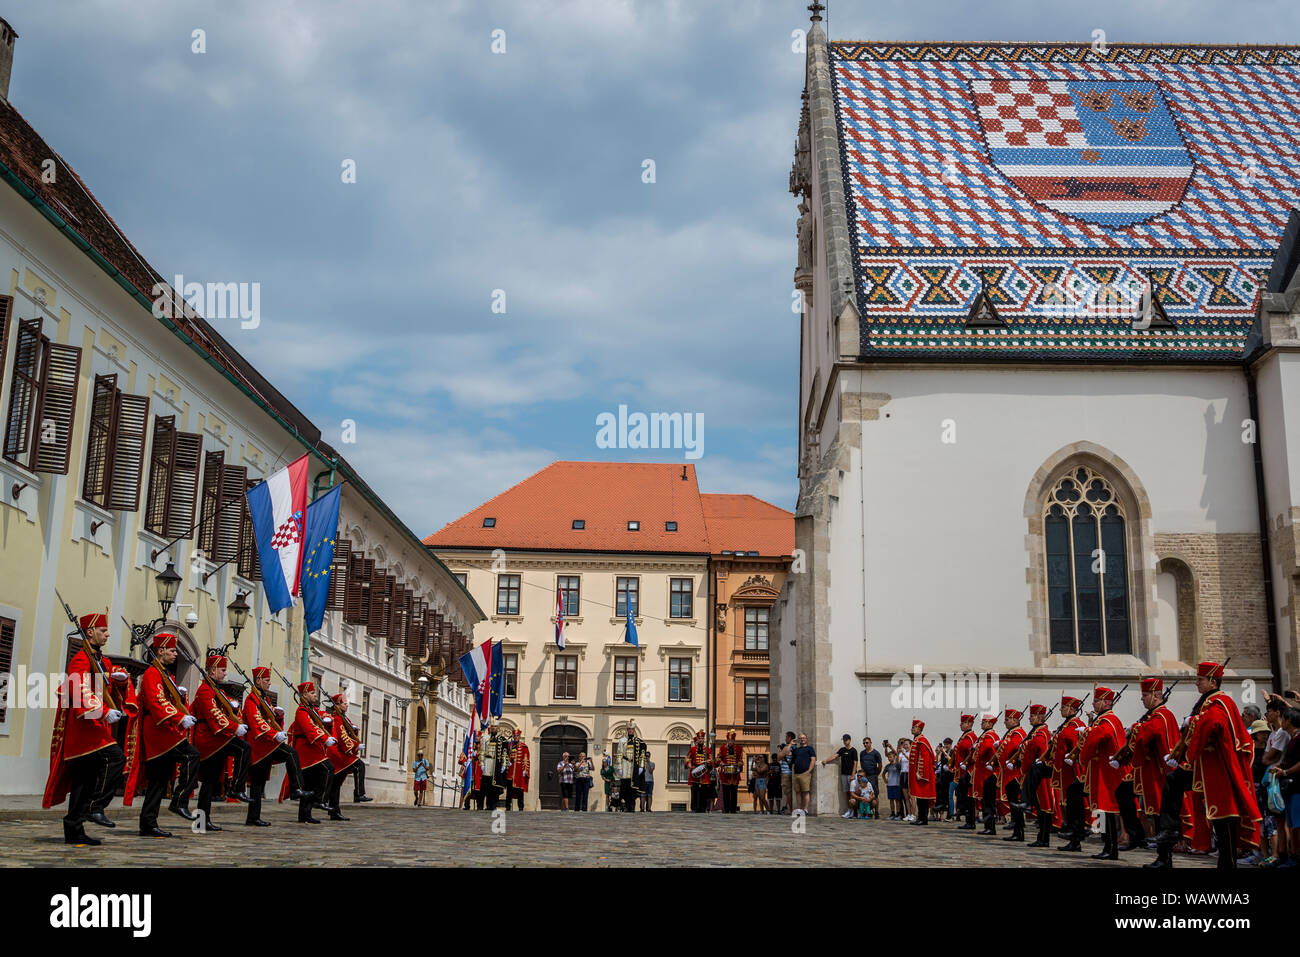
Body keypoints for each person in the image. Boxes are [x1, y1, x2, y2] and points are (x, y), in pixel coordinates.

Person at [43, 612, 139, 846]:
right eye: (103, 630)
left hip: (95, 726)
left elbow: (107, 681)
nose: (107, 634)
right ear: (90, 632)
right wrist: (103, 711)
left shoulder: (100, 660)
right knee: (117, 758)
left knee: (83, 780)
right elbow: (79, 688)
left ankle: (74, 829)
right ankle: (96, 806)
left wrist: (120, 679)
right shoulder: (80, 659)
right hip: (84, 729)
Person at [1183, 661, 1262, 869]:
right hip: (1211, 767)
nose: (1197, 684)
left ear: (1213, 681)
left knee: (1223, 817)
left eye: (1200, 680)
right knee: (1220, 817)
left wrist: (1193, 722)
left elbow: (1213, 723)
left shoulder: (1219, 702)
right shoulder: (1212, 701)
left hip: (1220, 769)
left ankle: (1227, 863)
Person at [122, 631, 198, 838]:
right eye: (172, 650)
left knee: (158, 779)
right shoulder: (152, 674)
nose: (175, 654)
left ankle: (148, 824)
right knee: (192, 756)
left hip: (165, 730)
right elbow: (157, 702)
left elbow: (170, 700)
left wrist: (182, 712)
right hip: (157, 730)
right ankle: (179, 801)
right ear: (161, 650)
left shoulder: (166, 674)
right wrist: (179, 718)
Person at [241, 665, 309, 826]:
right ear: (257, 681)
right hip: (259, 745)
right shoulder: (252, 700)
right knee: (289, 754)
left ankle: (254, 816)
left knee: (260, 782)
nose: (269, 683)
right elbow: (256, 721)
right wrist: (274, 734)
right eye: (266, 680)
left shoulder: (263, 699)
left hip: (267, 745)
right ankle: (295, 789)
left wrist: (278, 716)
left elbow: (270, 720)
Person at [191, 654, 249, 832]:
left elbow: (223, 711)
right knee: (243, 749)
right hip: (209, 739)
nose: (225, 674)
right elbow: (213, 714)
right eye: (222, 670)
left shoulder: (217, 690)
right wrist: (233, 728)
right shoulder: (205, 690)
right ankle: (236, 788)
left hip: (217, 738)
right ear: (213, 670)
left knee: (209, 783)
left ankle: (201, 823)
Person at [1078, 686, 1126, 860]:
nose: (1094, 703)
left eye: (1097, 701)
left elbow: (1100, 736)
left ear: (1106, 702)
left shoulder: (1108, 720)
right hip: (1099, 771)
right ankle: (1103, 841)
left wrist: (1089, 732)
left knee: (1107, 809)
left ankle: (1110, 847)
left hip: (1107, 773)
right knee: (1099, 807)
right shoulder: (1102, 719)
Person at [290, 682, 335, 825]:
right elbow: (309, 728)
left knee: (310, 783)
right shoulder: (301, 711)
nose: (315, 695)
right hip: (306, 750)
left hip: (313, 749)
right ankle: (320, 800)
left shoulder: (311, 710)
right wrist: (325, 738)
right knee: (328, 769)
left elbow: (319, 719)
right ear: (304, 695)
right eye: (312, 693)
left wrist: (327, 719)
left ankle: (305, 815)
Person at [1017, 704, 1058, 848]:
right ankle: (1041, 837)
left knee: (1044, 808)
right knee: (1041, 808)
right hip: (1033, 774)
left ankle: (1044, 839)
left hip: (1040, 776)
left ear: (1040, 717)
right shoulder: (1036, 732)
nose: (1030, 718)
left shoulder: (1041, 733)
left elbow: (1041, 749)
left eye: (1032, 716)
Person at [1265, 706, 1300, 868]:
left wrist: (1285, 772)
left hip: (1296, 786)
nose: (1283, 722)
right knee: (1290, 823)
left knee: (1296, 825)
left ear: (1290, 721)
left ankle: (1295, 857)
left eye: (1285, 719)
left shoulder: (1298, 739)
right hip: (1289, 787)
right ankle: (1286, 855)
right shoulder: (1293, 738)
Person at [1052, 695, 1088, 852]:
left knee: (1075, 805)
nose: (1061, 709)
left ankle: (1075, 836)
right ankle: (1073, 835)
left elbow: (1075, 746)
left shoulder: (1075, 725)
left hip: (1074, 770)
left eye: (1063, 707)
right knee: (1069, 804)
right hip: (1065, 770)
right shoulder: (1068, 724)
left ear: (1072, 709)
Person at [997, 707, 1027, 842]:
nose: (1005, 722)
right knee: (1013, 800)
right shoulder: (1012, 732)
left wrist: (1002, 743)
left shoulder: (1018, 733)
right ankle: (1017, 830)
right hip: (1010, 771)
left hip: (1015, 773)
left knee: (1015, 802)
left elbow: (1013, 747)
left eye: (1007, 719)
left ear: (1015, 720)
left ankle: (1018, 831)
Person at [972, 714, 1000, 835]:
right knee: (986, 801)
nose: (982, 724)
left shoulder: (989, 736)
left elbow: (985, 748)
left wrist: (977, 746)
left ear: (990, 724)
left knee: (987, 801)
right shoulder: (987, 735)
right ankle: (988, 826)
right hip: (984, 771)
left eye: (984, 722)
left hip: (987, 773)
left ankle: (990, 827)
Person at [821, 733, 858, 818]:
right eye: (844, 740)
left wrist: (853, 775)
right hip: (844, 774)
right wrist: (826, 760)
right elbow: (835, 756)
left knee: (852, 793)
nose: (845, 742)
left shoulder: (853, 751)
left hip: (851, 775)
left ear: (849, 740)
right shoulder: (842, 750)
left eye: (846, 740)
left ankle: (854, 811)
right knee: (846, 793)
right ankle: (849, 810)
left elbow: (855, 763)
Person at [613, 722, 647, 812]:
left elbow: (642, 755)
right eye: (629, 729)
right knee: (625, 787)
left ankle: (632, 806)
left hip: (634, 766)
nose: (630, 730)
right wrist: (619, 767)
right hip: (625, 764)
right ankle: (626, 805)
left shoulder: (638, 742)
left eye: (632, 729)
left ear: (634, 730)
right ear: (627, 730)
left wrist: (641, 766)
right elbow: (619, 754)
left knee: (633, 788)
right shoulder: (622, 741)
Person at [909, 719, 936, 825]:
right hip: (917, 774)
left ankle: (923, 818)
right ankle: (921, 818)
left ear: (919, 729)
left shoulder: (922, 740)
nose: (912, 729)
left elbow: (924, 758)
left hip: (922, 775)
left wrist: (920, 773)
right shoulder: (917, 740)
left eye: (914, 727)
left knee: (922, 797)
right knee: (920, 797)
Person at [717, 730, 743, 813]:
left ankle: (733, 809)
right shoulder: (722, 748)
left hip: (735, 775)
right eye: (729, 740)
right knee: (726, 793)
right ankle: (726, 809)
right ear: (727, 740)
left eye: (732, 740)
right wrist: (721, 763)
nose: (730, 742)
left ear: (734, 740)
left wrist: (740, 763)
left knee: (734, 793)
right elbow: (718, 758)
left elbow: (741, 760)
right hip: (725, 775)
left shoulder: (739, 748)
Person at [790, 732, 816, 815]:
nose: (802, 739)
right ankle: (799, 809)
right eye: (800, 738)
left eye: (803, 738)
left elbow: (813, 759)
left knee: (805, 792)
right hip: (796, 773)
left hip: (805, 773)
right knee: (797, 792)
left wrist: (809, 771)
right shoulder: (796, 750)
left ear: (806, 739)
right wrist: (791, 744)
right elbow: (788, 754)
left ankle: (805, 809)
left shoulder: (809, 748)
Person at [688, 730, 713, 812]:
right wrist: (689, 764)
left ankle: (703, 808)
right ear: (697, 739)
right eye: (699, 738)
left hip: (704, 774)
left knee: (703, 791)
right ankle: (694, 807)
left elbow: (711, 761)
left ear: (704, 739)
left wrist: (710, 762)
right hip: (695, 771)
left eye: (702, 738)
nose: (701, 740)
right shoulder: (692, 749)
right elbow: (687, 758)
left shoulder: (708, 750)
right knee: (695, 791)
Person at [508, 728, 531, 811]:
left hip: (519, 772)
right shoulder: (510, 745)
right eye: (515, 736)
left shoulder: (524, 746)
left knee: (520, 791)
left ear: (519, 736)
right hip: (510, 772)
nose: (516, 737)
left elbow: (526, 759)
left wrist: (525, 770)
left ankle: (521, 807)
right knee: (509, 791)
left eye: (517, 736)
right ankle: (508, 806)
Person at [859, 737, 882, 819]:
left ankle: (876, 812)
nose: (865, 744)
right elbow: (861, 763)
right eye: (864, 743)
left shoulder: (876, 753)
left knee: (875, 794)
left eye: (867, 742)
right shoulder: (862, 753)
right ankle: (866, 812)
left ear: (871, 743)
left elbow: (880, 765)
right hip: (865, 776)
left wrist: (876, 774)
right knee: (865, 793)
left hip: (873, 776)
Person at [778, 731, 796, 814]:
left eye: (786, 737)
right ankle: (790, 808)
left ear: (789, 738)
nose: (785, 739)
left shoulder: (787, 747)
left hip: (786, 772)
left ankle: (791, 809)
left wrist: (787, 746)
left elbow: (779, 757)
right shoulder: (796, 747)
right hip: (793, 772)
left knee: (788, 792)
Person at [883, 746, 902, 819]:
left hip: (897, 784)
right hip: (890, 785)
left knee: (897, 800)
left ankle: (898, 814)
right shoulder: (888, 766)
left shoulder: (897, 765)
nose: (889, 758)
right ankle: (892, 813)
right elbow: (883, 773)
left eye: (890, 757)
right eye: (888, 757)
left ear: (894, 757)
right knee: (891, 800)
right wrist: (885, 780)